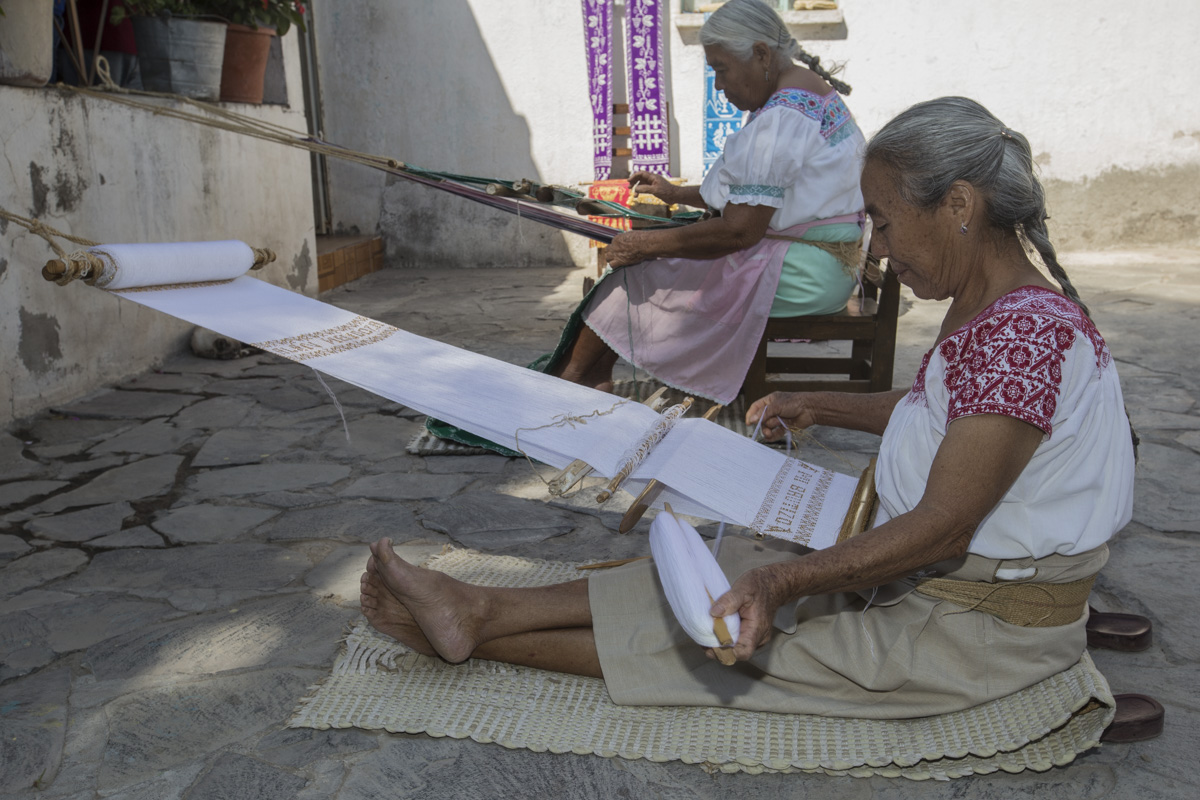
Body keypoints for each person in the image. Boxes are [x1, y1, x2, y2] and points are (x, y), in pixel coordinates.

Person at [361, 97, 1143, 728]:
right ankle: (482, 605)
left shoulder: (1021, 333)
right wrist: (821, 402)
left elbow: (944, 526)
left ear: (959, 206)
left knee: (740, 650)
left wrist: (784, 583)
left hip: (979, 632)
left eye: (884, 218)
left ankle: (481, 638)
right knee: (731, 573)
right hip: (939, 585)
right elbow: (951, 410)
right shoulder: (995, 308)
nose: (874, 249)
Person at [549, 0, 866, 404]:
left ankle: (572, 380)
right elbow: (760, 192)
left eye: (720, 68)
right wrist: (675, 193)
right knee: (659, 260)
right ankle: (591, 373)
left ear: (761, 55)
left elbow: (739, 230)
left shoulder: (783, 117)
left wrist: (643, 245)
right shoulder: (804, 91)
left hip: (802, 271)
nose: (719, 84)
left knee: (640, 274)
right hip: (819, 262)